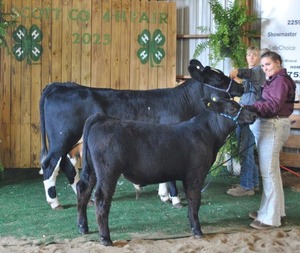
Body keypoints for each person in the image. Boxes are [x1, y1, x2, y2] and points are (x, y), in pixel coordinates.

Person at [246, 50, 296, 229]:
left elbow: (273, 105)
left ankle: (270, 218)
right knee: (271, 172)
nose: (265, 68)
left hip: (273, 125)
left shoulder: (280, 80)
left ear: (278, 63)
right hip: (271, 125)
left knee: (269, 173)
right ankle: (274, 211)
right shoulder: (275, 80)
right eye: (263, 65)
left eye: (268, 64)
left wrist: (250, 107)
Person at [227, 46, 266, 197]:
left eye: (255, 55)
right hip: (245, 115)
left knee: (245, 150)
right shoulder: (249, 77)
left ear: (259, 58)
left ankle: (246, 186)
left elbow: (249, 73)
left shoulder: (258, 72)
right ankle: (253, 183)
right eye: (249, 54)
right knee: (247, 150)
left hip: (250, 116)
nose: (251, 57)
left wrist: (238, 71)